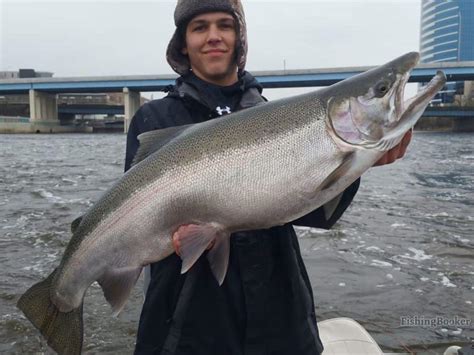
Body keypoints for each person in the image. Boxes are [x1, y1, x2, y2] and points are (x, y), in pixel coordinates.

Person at [125, 1, 412, 354]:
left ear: (239, 38)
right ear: (183, 43)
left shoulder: (267, 111)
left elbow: (315, 212)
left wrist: (358, 165)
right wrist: (179, 234)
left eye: (224, 26)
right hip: (189, 323)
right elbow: (137, 219)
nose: (214, 37)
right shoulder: (154, 118)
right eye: (199, 27)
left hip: (280, 313)